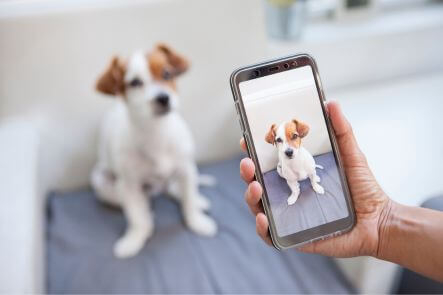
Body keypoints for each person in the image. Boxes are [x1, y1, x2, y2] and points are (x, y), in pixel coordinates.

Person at [239, 101, 443, 283]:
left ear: (300, 135)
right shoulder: (283, 160)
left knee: (311, 172)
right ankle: (295, 190)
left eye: (293, 138)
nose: (288, 147)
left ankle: (314, 181)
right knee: (286, 175)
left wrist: (314, 181)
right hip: (288, 172)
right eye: (280, 141)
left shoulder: (307, 157)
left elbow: (309, 167)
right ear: (274, 141)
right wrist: (383, 224)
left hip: (308, 169)